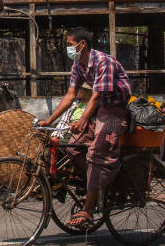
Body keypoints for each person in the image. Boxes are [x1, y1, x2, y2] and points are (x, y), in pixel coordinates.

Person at [37, 27, 132, 230]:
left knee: (96, 153)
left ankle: (88, 209)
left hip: (114, 110)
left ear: (82, 45)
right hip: (98, 109)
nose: (67, 49)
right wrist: (50, 120)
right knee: (73, 147)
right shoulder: (78, 64)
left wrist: (81, 122)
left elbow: (96, 96)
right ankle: (93, 187)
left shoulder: (103, 61)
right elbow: (71, 95)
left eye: (70, 45)